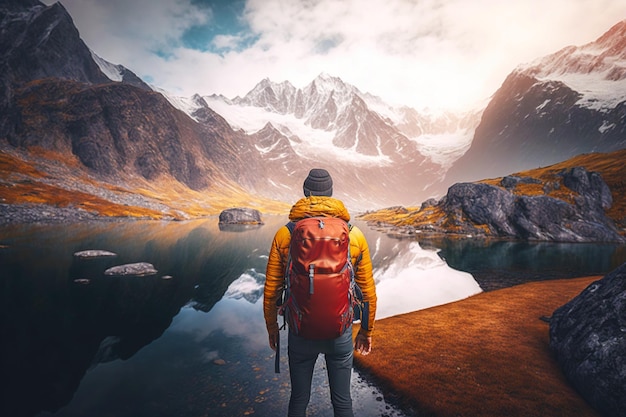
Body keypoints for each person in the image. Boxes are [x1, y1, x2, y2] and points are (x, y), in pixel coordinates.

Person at [264, 168, 377, 417]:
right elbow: (367, 290)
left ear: (306, 194)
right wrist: (366, 330)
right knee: (343, 401)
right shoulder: (353, 234)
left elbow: (272, 288)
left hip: (300, 330)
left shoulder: (287, 234)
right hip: (340, 332)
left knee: (299, 399)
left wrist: (272, 327)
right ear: (331, 194)